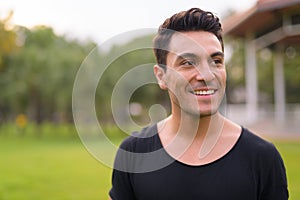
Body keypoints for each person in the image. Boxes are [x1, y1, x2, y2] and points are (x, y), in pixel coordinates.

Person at [109, 7, 288, 200]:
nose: (206, 75)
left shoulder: (262, 158)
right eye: (187, 62)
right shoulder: (133, 153)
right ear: (161, 76)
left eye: (216, 61)